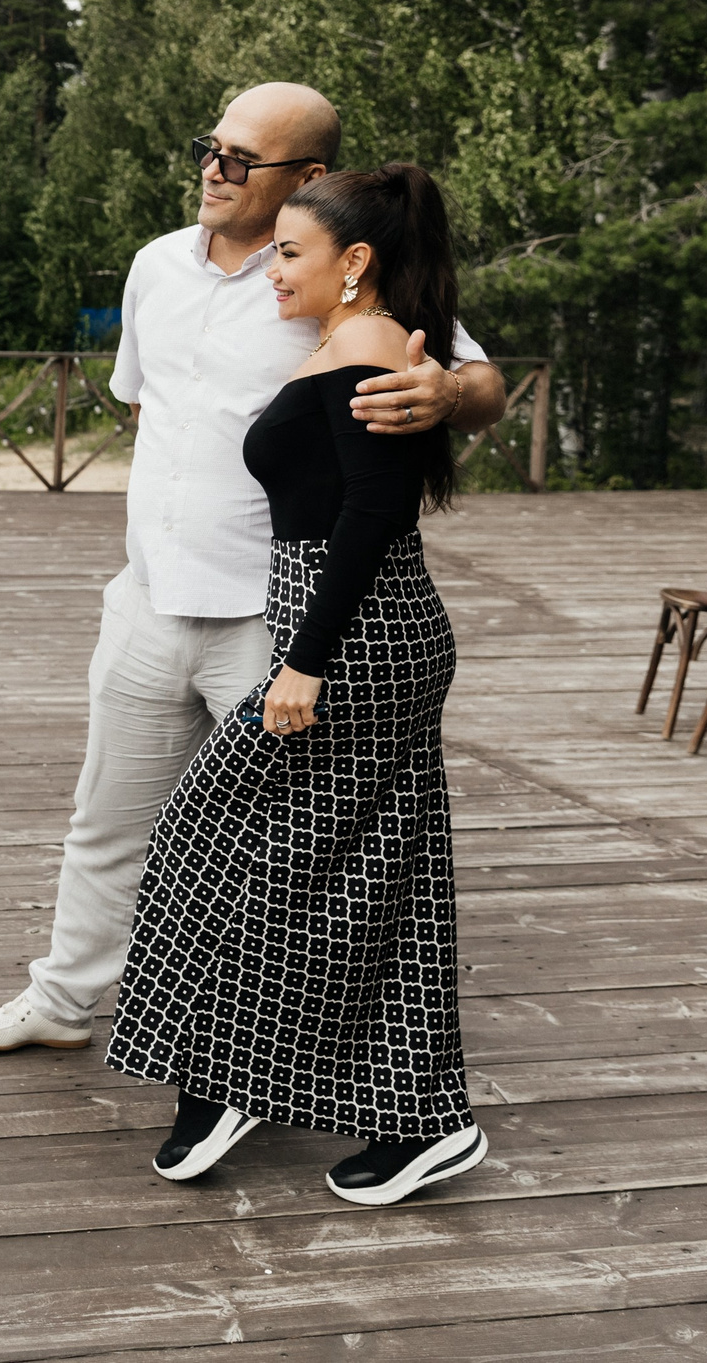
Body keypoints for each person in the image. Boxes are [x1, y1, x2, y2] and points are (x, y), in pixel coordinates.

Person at [0, 81, 505, 1054]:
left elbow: (480, 382)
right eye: (210, 147)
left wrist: (444, 392)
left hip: (273, 620)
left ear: (311, 178)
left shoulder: (326, 275)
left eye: (241, 159)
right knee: (106, 823)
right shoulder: (156, 265)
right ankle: (63, 1004)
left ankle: (257, 1046)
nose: (213, 169)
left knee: (272, 853)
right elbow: (143, 407)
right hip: (147, 601)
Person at [108, 162, 485, 1206]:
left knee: (215, 830)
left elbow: (372, 515)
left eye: (290, 252)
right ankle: (424, 1120)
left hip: (356, 637)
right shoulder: (348, 342)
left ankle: (226, 1073)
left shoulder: (366, 344)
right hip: (360, 627)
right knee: (378, 875)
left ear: (352, 263)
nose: (272, 270)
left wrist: (303, 663)